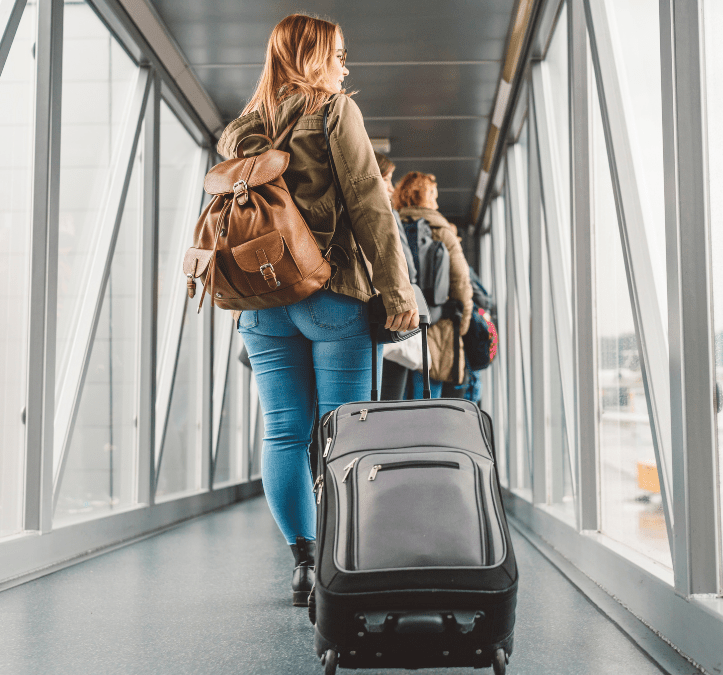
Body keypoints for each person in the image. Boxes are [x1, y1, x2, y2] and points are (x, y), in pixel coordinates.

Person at [216, 14, 418, 607]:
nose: (345, 66)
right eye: (339, 54)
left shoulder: (240, 132)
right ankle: (342, 561)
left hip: (260, 302)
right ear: (313, 55)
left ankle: (303, 560)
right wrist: (398, 294)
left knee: (284, 432)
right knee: (344, 434)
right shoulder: (333, 110)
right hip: (330, 294)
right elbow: (368, 204)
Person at [393, 172, 472, 398]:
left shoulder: (391, 227)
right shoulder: (442, 231)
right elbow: (461, 284)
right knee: (426, 404)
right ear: (424, 197)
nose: (436, 204)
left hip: (397, 326)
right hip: (436, 330)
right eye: (433, 196)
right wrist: (460, 327)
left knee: (392, 404)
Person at [375, 152, 420, 400]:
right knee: (388, 407)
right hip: (387, 319)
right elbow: (408, 268)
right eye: (387, 179)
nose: (391, 189)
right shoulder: (383, 213)